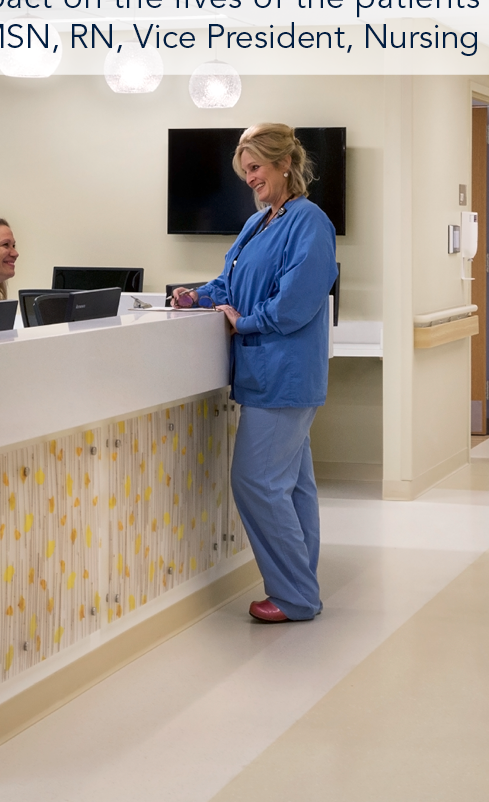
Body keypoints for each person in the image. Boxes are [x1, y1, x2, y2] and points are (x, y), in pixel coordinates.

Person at [173, 124, 338, 623]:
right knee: (292, 486)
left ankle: (294, 596)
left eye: (256, 168)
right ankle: (300, 589)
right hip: (265, 373)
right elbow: (230, 279)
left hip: (285, 375)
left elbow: (297, 300)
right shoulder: (260, 222)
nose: (249, 179)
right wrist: (198, 296)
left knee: (256, 482)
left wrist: (244, 321)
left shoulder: (309, 221)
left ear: (284, 163)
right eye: (245, 171)